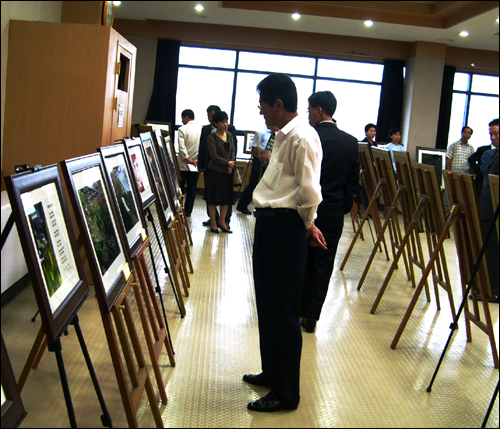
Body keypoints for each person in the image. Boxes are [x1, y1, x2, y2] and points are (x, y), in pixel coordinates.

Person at [243, 73, 326, 412]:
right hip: (270, 225)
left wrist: (308, 225)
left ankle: (287, 392)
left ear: (278, 104)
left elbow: (308, 192)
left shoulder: (303, 137)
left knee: (283, 311)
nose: (260, 111)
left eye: (263, 105)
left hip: (285, 228)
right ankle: (273, 371)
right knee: (268, 304)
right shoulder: (283, 135)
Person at [300, 91, 360, 333]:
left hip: (306, 210)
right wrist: (342, 207)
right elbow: (352, 182)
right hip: (333, 211)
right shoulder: (350, 141)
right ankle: (312, 316)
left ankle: (299, 309)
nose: (308, 115)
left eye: (309, 110)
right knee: (324, 264)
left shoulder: (309, 137)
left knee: (304, 259)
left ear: (319, 111)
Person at [198, 105, 238, 227]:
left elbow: (233, 149)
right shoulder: (206, 130)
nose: (209, 118)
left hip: (227, 169)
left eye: (212, 115)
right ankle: (213, 219)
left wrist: (231, 164)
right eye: (208, 116)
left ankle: (225, 220)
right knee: (212, 195)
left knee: (226, 196)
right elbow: (202, 149)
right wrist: (200, 165)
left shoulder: (230, 130)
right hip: (211, 168)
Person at [478, 118, 499, 303]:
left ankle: (494, 290)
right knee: (488, 250)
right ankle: (488, 287)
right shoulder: (493, 153)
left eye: (497, 133)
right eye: (491, 133)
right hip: (487, 209)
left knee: (493, 252)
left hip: (494, 211)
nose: (493, 137)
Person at [236, 126, 270, 215]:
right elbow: (254, 150)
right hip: (259, 161)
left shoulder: (279, 133)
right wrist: (265, 153)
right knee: (254, 183)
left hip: (270, 162)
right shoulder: (261, 132)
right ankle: (242, 205)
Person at [177, 109, 202, 217]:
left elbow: (181, 147)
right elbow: (203, 147)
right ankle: (188, 212)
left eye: (182, 118)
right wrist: (196, 160)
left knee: (180, 187)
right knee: (192, 189)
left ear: (186, 117)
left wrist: (187, 159)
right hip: (196, 165)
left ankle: (179, 209)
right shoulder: (202, 129)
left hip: (183, 164)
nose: (182, 121)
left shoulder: (182, 129)